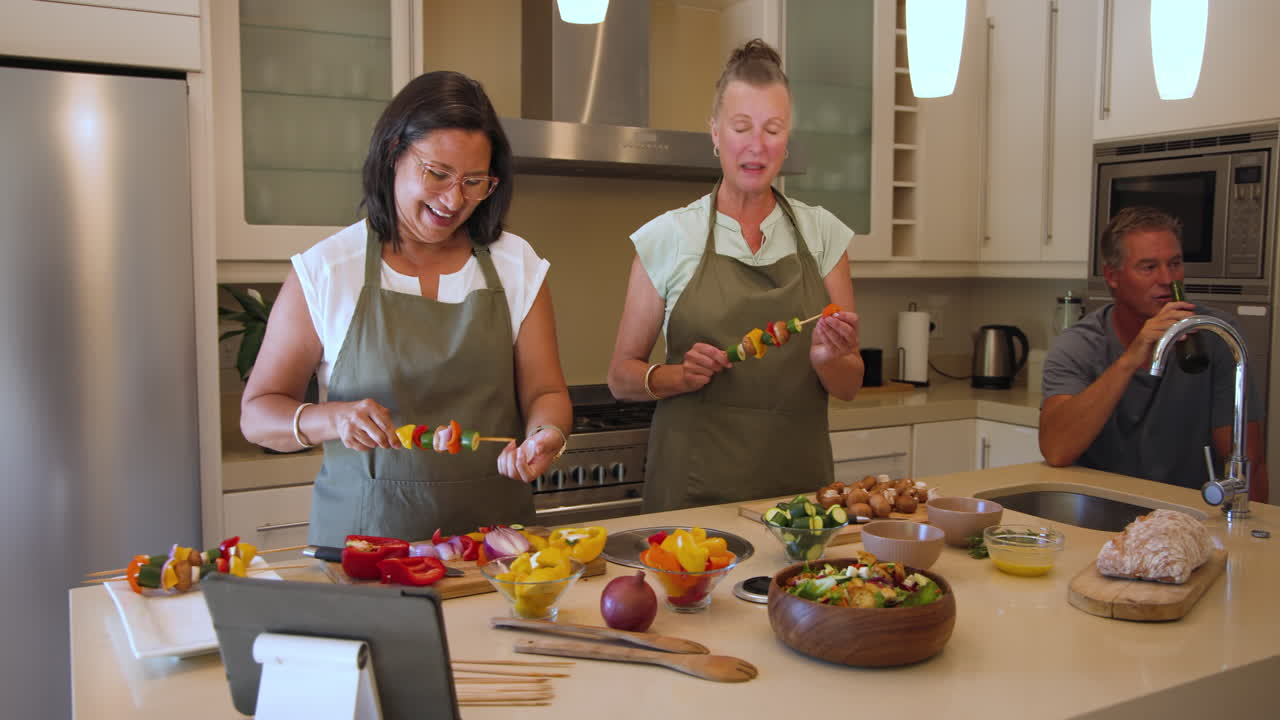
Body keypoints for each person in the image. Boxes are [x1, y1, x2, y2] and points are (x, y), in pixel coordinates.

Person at [240, 71, 573, 545]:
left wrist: (547, 436)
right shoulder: (329, 270)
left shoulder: (516, 265)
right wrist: (332, 418)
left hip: (497, 553)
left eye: (474, 181)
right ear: (394, 153)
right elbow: (257, 415)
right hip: (363, 550)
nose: (453, 199)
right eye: (437, 174)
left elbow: (546, 391)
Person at [607, 39, 864, 512]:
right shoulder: (666, 238)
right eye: (741, 126)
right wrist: (676, 376)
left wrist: (830, 357)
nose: (756, 144)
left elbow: (848, 386)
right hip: (690, 500)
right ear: (715, 133)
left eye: (773, 128)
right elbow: (621, 377)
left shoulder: (824, 235)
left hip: (797, 503)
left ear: (787, 141)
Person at [1040, 206, 1268, 502]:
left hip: (1189, 512)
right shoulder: (1079, 346)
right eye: (1148, 267)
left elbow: (1247, 462)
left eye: (1174, 264)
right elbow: (1057, 449)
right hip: (1102, 509)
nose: (1167, 278)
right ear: (1112, 275)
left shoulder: (1216, 336)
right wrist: (1130, 358)